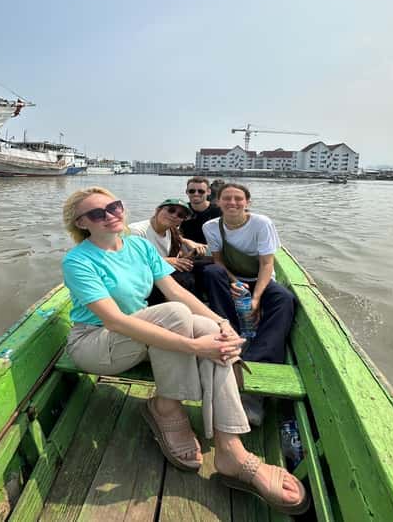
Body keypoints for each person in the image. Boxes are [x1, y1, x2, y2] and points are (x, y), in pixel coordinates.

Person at [61, 187, 308, 515]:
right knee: (176, 317)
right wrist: (193, 347)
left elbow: (176, 291)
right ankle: (166, 407)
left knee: (212, 333)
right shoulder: (78, 261)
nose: (110, 215)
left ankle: (231, 449)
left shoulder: (138, 246)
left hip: (137, 337)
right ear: (82, 223)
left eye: (114, 206)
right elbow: (115, 321)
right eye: (97, 214)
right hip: (96, 343)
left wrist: (222, 323)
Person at [202, 183, 297, 426]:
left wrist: (255, 298)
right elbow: (218, 261)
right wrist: (235, 283)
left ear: (247, 202)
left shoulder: (262, 224)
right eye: (227, 198)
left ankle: (260, 361)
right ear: (218, 202)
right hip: (234, 278)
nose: (232, 203)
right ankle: (231, 333)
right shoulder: (211, 226)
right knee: (211, 273)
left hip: (260, 279)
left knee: (284, 299)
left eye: (238, 199)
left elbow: (267, 264)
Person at [129, 198, 206, 304]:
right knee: (184, 278)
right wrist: (165, 260)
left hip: (159, 274)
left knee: (205, 268)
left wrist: (189, 246)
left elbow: (178, 251)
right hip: (143, 281)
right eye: (171, 210)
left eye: (180, 215)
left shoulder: (172, 232)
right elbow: (130, 262)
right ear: (157, 210)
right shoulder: (136, 231)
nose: (174, 215)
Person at [179, 176, 222, 246]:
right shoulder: (181, 210)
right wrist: (185, 242)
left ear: (208, 192)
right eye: (192, 191)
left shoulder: (219, 212)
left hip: (211, 250)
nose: (196, 194)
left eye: (201, 191)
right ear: (187, 192)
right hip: (186, 248)